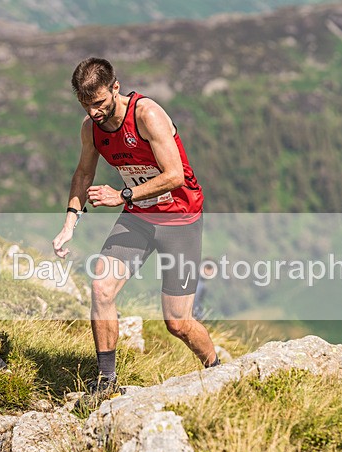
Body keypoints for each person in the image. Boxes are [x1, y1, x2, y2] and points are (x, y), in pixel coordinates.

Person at [52, 57, 219, 400]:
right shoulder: (91, 128)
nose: (94, 112)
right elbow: (83, 175)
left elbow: (175, 176)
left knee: (178, 323)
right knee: (101, 288)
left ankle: (218, 371)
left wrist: (122, 194)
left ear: (115, 88)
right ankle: (106, 381)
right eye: (86, 105)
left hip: (180, 219)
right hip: (139, 219)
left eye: (98, 103)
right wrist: (70, 222)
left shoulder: (147, 115)